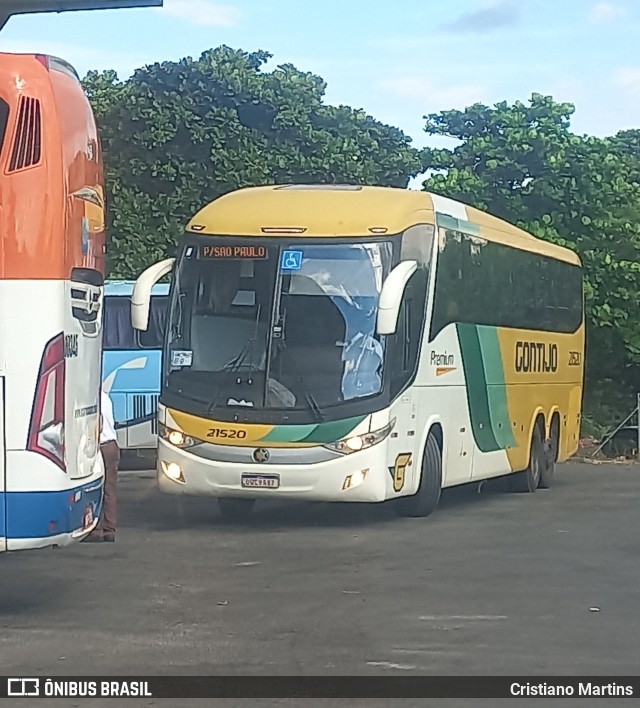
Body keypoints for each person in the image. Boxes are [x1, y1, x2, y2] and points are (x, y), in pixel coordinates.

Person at [83, 387, 119, 543]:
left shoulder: (91, 399)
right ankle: (110, 530)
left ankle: (96, 529)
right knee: (110, 489)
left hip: (99, 447)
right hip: (112, 445)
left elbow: (98, 424)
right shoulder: (106, 397)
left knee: (95, 488)